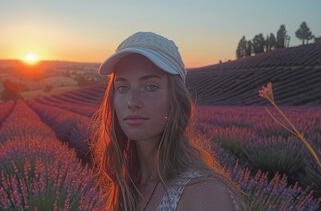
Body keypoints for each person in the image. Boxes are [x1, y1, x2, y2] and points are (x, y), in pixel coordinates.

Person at [91, 31, 245, 210]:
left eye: (150, 87)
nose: (132, 102)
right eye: (123, 87)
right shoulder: (129, 184)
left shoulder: (203, 192)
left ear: (175, 100)